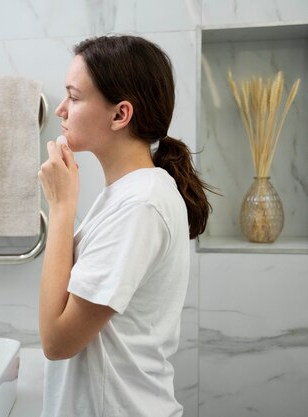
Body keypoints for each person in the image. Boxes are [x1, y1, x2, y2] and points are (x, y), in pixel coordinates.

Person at [37, 35, 214, 417]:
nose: (60, 109)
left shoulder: (141, 205)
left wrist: (61, 206)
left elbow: (57, 341)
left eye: (74, 96)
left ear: (120, 115)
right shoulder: (129, 194)